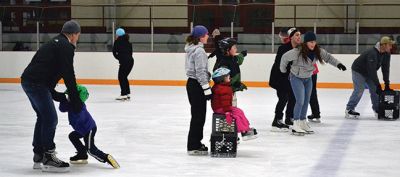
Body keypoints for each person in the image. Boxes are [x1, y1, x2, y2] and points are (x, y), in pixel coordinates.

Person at [21, 20, 82, 172]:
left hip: (29, 81)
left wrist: (58, 96)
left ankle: (39, 155)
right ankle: (48, 156)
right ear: (74, 35)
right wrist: (75, 99)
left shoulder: (54, 43)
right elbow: (68, 73)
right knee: (50, 119)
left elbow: (46, 69)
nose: (77, 38)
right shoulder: (66, 46)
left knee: (42, 117)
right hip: (37, 84)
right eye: (78, 35)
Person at [280, 31, 347, 135]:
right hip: (296, 78)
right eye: (311, 42)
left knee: (306, 101)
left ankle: (302, 122)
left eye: (314, 42)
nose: (313, 44)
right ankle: (296, 123)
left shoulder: (317, 51)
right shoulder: (297, 51)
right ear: (306, 42)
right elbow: (284, 58)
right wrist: (283, 70)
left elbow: (328, 57)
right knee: (300, 100)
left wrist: (338, 64)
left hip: (308, 79)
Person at [57, 85, 120, 169]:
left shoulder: (79, 107)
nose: (68, 97)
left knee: (91, 150)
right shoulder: (73, 105)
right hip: (82, 130)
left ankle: (106, 157)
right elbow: (62, 109)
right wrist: (63, 100)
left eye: (70, 96)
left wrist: (66, 101)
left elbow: (69, 110)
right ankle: (82, 154)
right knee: (72, 136)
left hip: (88, 130)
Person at [345, 36, 395, 119]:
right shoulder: (372, 53)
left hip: (369, 72)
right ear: (384, 45)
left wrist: (387, 84)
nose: (391, 47)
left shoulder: (387, 54)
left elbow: (385, 69)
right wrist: (378, 85)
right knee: (359, 89)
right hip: (358, 70)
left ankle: (377, 110)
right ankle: (349, 109)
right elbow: (372, 71)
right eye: (390, 45)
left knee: (375, 90)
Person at [185, 25, 211, 155]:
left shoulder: (191, 48)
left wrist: (207, 74)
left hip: (192, 84)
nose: (208, 36)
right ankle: (193, 146)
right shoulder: (199, 51)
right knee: (198, 116)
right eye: (206, 34)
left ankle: (195, 143)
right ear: (201, 37)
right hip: (197, 85)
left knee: (197, 115)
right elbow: (200, 72)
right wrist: (206, 88)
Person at [211, 67, 257, 140]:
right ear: (221, 78)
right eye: (227, 76)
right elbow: (225, 102)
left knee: (239, 111)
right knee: (237, 116)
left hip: (221, 108)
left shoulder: (223, 86)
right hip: (222, 109)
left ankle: (246, 129)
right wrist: (227, 112)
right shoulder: (223, 89)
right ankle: (244, 131)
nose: (229, 77)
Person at [269, 27, 301, 131]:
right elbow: (280, 65)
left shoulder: (299, 49)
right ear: (291, 37)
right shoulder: (283, 48)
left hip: (289, 77)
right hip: (279, 77)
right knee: (283, 98)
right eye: (296, 35)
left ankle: (289, 118)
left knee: (293, 97)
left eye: (300, 35)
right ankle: (277, 120)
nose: (299, 37)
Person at [214, 37, 247, 107]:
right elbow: (223, 80)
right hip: (226, 93)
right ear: (227, 50)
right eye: (234, 48)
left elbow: (238, 60)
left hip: (231, 91)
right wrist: (235, 84)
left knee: (234, 108)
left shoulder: (232, 58)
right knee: (230, 109)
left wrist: (242, 55)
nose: (236, 49)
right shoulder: (224, 63)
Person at [113, 27, 134, 101]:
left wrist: (119, 58)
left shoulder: (117, 42)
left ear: (118, 35)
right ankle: (127, 93)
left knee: (121, 77)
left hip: (124, 62)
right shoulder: (128, 42)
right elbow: (131, 53)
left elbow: (114, 52)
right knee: (124, 77)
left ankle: (123, 94)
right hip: (131, 61)